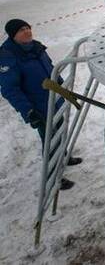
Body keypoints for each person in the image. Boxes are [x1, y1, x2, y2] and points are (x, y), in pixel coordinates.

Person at [0, 19, 81, 190]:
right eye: (22, 30)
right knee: (50, 140)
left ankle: (63, 158)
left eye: (28, 28)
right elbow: (9, 89)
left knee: (60, 131)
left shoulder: (36, 47)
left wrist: (63, 88)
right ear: (13, 34)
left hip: (54, 101)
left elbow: (51, 70)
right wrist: (28, 112)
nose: (27, 31)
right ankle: (53, 177)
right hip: (38, 107)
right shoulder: (8, 56)